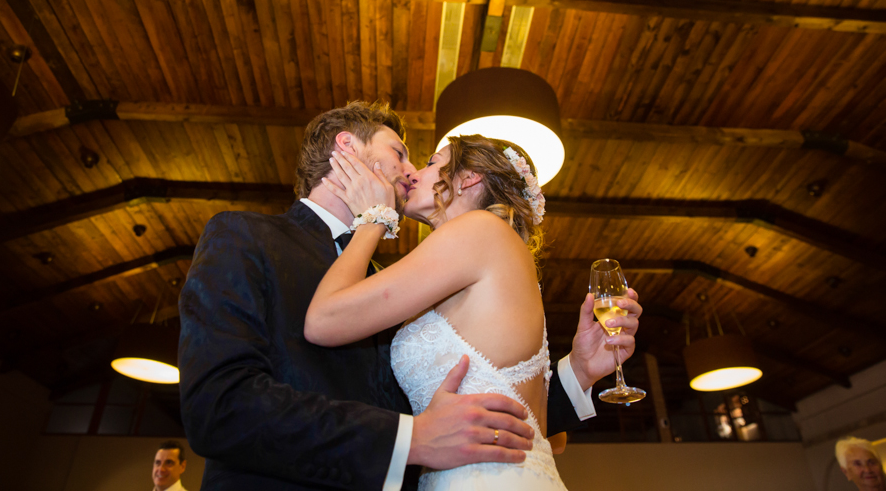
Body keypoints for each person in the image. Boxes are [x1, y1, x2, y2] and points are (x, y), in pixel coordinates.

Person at [179, 101, 641, 490]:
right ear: (347, 146)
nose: (410, 170)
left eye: (423, 161)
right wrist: (409, 439)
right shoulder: (245, 237)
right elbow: (219, 406)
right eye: (400, 153)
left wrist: (577, 373)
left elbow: (474, 401)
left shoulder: (390, 276)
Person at [305, 134, 641, 489]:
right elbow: (541, 433)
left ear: (469, 178)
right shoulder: (486, 251)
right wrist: (581, 369)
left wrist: (373, 218)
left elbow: (323, 321)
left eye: (432, 162)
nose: (414, 173)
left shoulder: (477, 230)